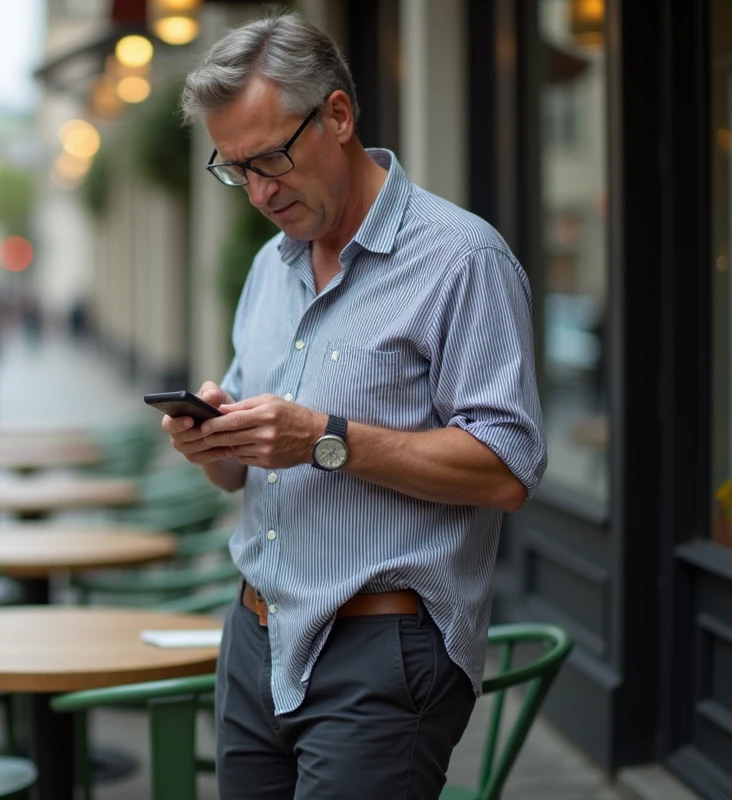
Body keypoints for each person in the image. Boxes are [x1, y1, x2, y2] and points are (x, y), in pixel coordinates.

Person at [159, 12, 546, 799]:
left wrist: (322, 439)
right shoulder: (271, 266)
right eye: (237, 169)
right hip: (253, 636)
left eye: (272, 157)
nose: (261, 192)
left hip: (382, 650)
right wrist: (215, 442)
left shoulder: (462, 259)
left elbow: (507, 472)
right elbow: (242, 482)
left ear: (338, 116)